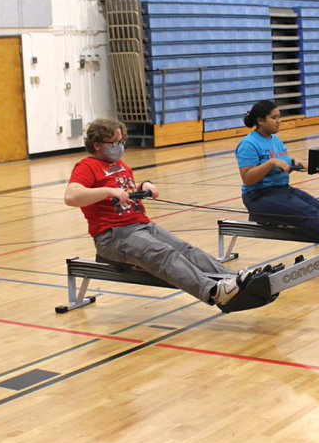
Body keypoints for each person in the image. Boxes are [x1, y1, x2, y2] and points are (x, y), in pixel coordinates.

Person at [65, 118, 255, 308]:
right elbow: (71, 196)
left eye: (122, 142)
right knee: (163, 254)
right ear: (97, 145)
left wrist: (143, 185)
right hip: (114, 235)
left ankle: (233, 280)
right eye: (114, 143)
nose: (120, 147)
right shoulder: (86, 166)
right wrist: (108, 192)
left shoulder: (119, 164)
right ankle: (214, 292)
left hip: (143, 225)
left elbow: (124, 189)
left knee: (185, 250)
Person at [237, 100, 319, 247]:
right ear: (260, 120)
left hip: (282, 190)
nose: (278, 121)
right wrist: (270, 164)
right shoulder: (249, 144)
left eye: (279, 117)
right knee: (312, 215)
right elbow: (248, 179)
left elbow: (282, 160)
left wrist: (294, 161)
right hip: (258, 196)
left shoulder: (275, 140)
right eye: (274, 117)